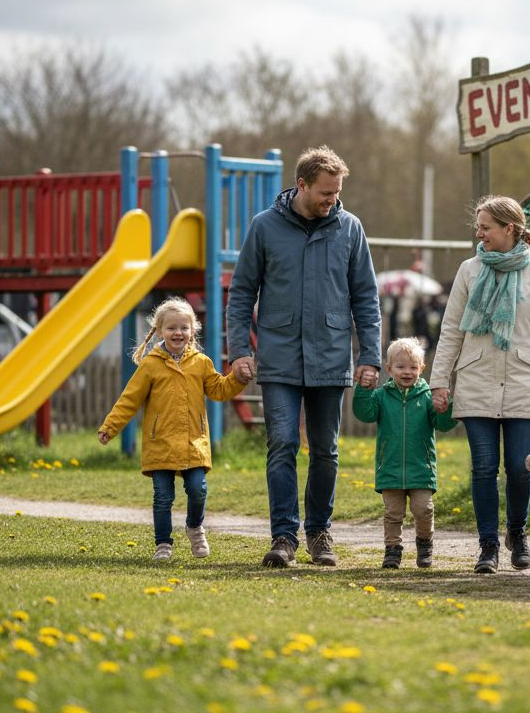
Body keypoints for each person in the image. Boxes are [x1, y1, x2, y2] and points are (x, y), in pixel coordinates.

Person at [226, 145, 381, 568]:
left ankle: (318, 533)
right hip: (278, 357)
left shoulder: (349, 229)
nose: (333, 200)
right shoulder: (264, 228)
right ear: (302, 185)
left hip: (330, 357)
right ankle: (283, 537)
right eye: (326, 192)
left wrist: (370, 356)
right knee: (282, 445)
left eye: (337, 192)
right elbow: (241, 293)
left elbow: (366, 297)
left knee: (326, 450)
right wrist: (239, 349)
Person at [429, 195, 530, 574]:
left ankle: (518, 533)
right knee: (483, 467)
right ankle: (488, 545)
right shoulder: (469, 270)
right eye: (478, 227)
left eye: (485, 228)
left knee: (519, 466)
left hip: (524, 380)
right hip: (477, 379)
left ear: (509, 229)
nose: (479, 235)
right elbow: (450, 330)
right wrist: (439, 381)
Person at [97, 297, 253, 562]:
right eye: (171, 328)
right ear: (159, 331)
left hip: (194, 442)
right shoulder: (150, 365)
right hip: (161, 443)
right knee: (162, 497)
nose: (177, 332)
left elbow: (218, 390)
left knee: (198, 489)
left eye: (183, 327)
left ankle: (194, 526)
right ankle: (163, 543)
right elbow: (129, 399)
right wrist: (110, 427)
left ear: (193, 331)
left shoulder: (201, 363)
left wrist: (237, 380)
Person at [352, 337, 456, 569]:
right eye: (400, 367)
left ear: (421, 368)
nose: (406, 372)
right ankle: (392, 550)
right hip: (389, 467)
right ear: (389, 369)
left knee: (423, 509)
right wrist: (364, 390)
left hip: (421, 467)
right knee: (393, 513)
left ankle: (425, 544)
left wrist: (445, 409)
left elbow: (443, 425)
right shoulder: (381, 396)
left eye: (412, 367)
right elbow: (365, 413)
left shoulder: (428, 396)